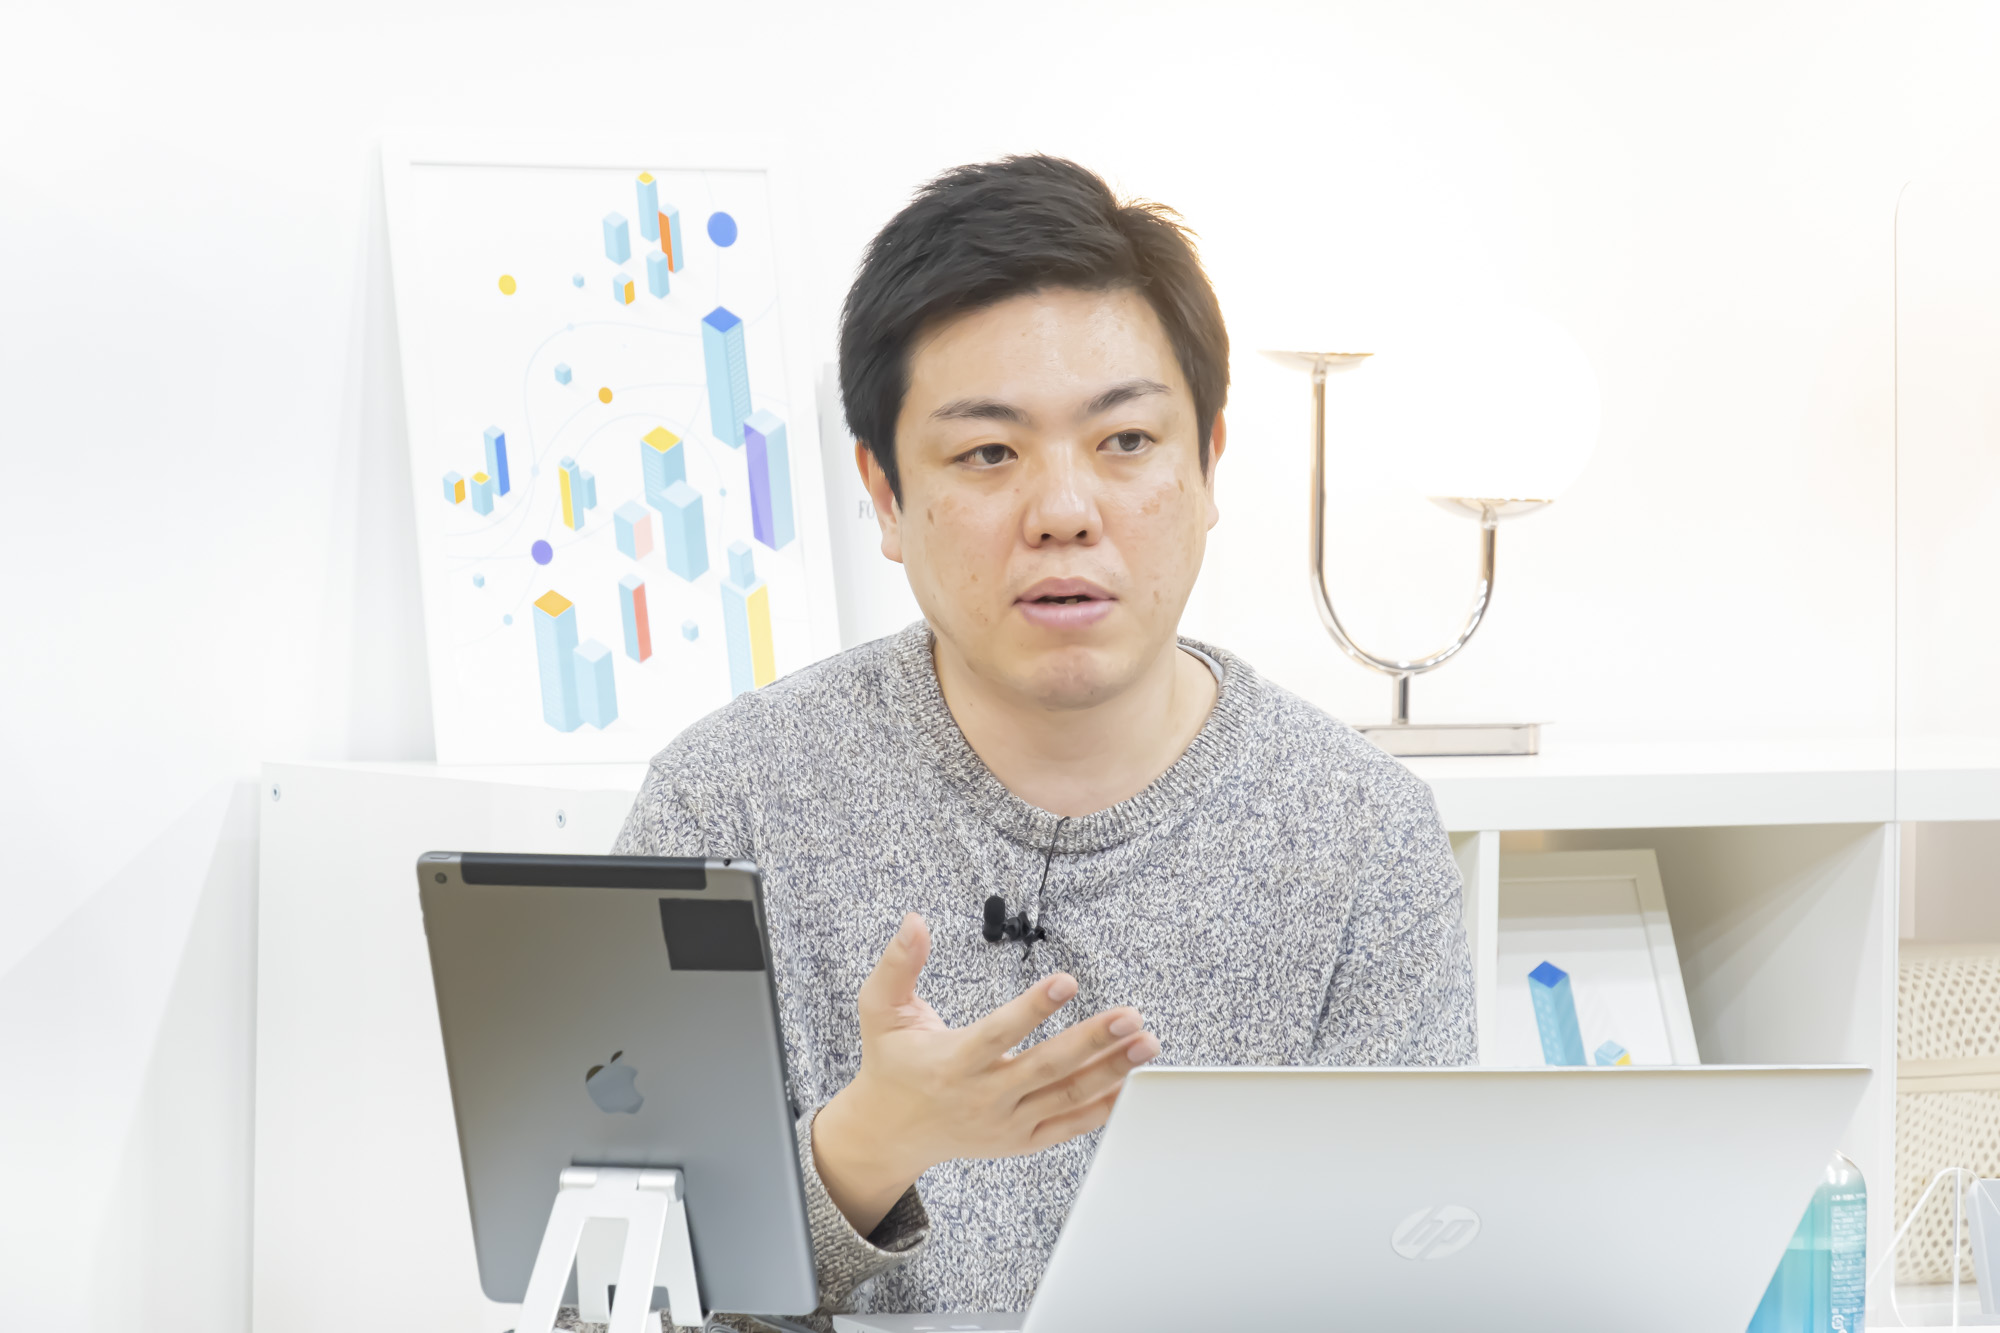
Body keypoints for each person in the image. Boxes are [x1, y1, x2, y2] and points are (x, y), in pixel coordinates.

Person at [612, 154, 1474, 1331]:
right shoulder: (724, 806)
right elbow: (608, 1300)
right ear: (883, 493)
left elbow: (1419, 1275)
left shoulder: (1361, 835)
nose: (1064, 510)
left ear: (1208, 464)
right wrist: (865, 1148)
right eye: (987, 453)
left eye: (1124, 440)